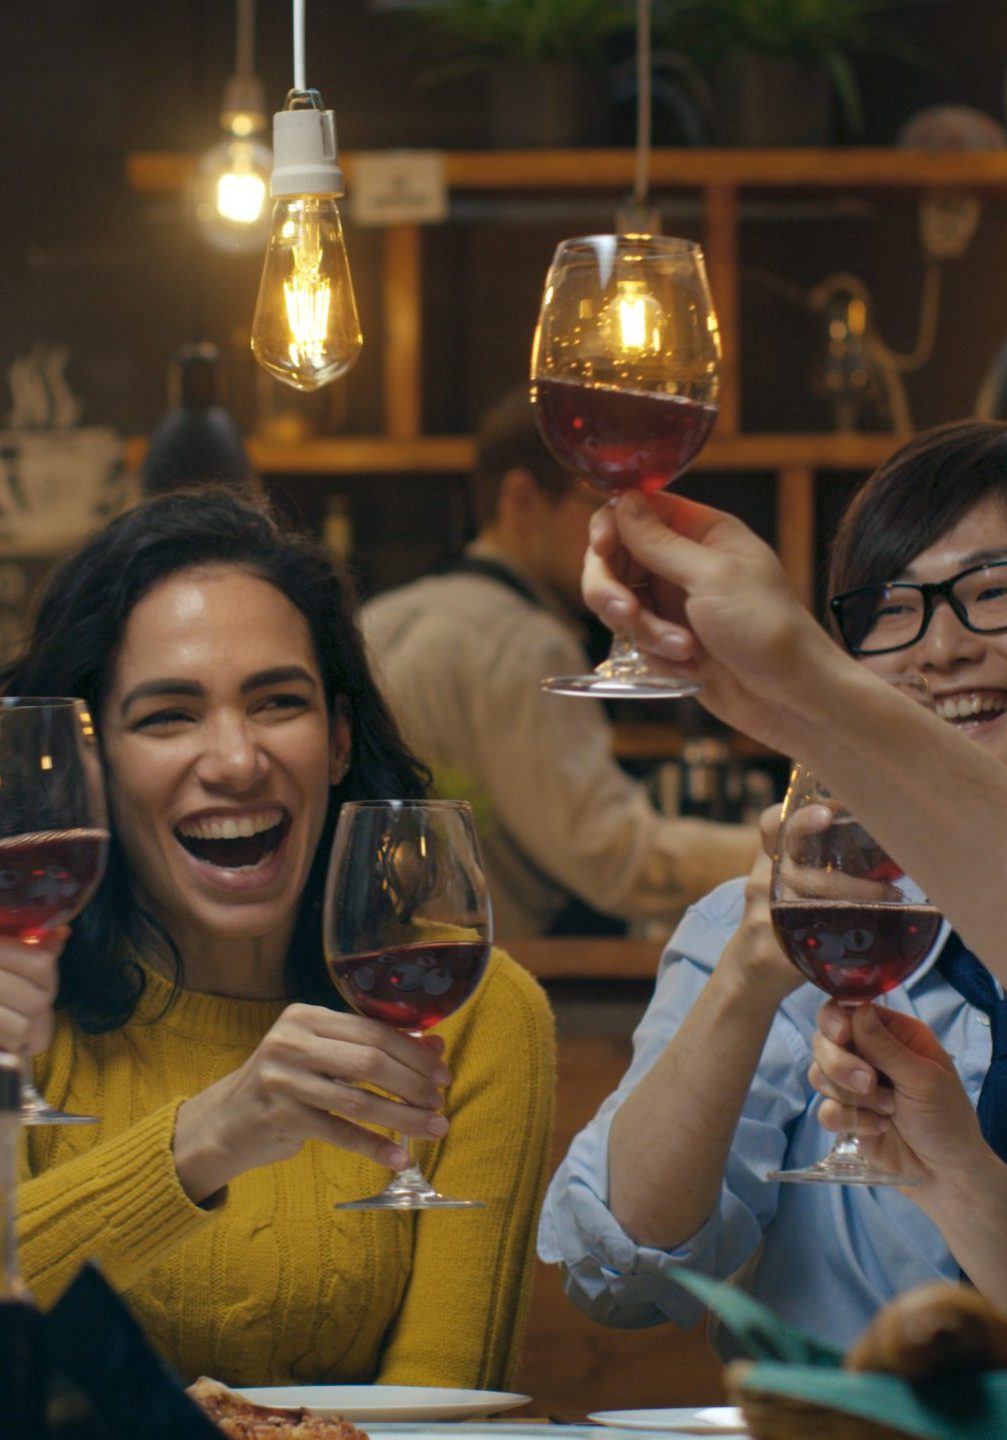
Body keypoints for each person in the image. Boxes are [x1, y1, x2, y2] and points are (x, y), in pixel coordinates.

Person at [2, 487, 555, 1389]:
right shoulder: (19, 1001)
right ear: (92, 760)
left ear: (337, 742)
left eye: (277, 704)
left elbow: (439, 1413)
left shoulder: (475, 1018)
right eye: (169, 715)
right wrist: (205, 1139)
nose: (234, 761)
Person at [538, 420, 1007, 1350]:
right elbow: (620, 1274)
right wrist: (751, 974)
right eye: (893, 609)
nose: (941, 648)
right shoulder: (773, 921)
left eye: (994, 594)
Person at [361, 388, 757, 939]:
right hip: (496, 977)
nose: (631, 532)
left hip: (383, 961)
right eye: (606, 503)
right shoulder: (524, 643)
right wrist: (781, 845)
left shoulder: (380, 616)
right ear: (522, 500)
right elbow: (613, 858)